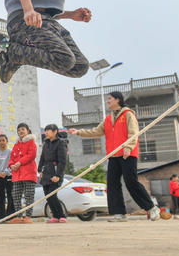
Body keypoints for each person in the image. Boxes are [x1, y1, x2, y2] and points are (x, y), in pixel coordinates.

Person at [69, 91, 161, 222]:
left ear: (117, 100)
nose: (108, 101)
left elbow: (133, 132)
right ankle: (119, 213)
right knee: (112, 184)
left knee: (131, 182)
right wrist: (78, 132)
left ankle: (151, 208)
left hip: (127, 154)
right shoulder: (108, 118)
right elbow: (96, 131)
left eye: (110, 99)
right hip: (113, 155)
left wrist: (128, 147)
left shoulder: (128, 114)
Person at [8, 123, 37, 224]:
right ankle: (18, 216)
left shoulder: (31, 142)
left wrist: (19, 162)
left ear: (28, 131)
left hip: (28, 173)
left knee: (29, 195)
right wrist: (11, 165)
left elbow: (31, 155)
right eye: (19, 130)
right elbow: (11, 157)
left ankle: (28, 216)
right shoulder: (16, 145)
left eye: (23, 129)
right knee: (15, 195)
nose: (21, 131)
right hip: (17, 174)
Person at [38, 124, 67, 223]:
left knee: (52, 195)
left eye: (48, 131)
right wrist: (40, 170)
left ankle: (62, 216)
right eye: (45, 131)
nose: (46, 132)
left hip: (55, 172)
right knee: (47, 196)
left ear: (55, 132)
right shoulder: (45, 143)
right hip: (46, 172)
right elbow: (42, 158)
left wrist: (58, 175)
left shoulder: (60, 143)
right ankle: (55, 216)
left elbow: (62, 161)